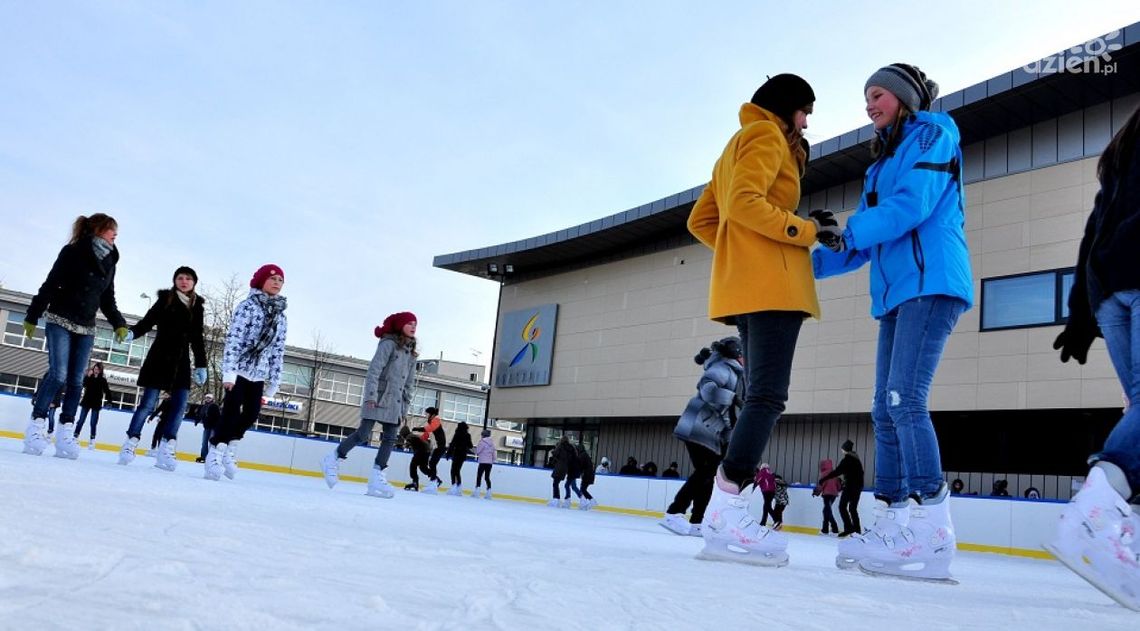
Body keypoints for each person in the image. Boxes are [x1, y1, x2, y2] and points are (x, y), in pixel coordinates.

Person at [812, 64, 972, 582]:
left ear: (903, 98)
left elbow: (910, 208)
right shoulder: (878, 168)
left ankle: (933, 528)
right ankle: (895, 520)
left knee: (905, 399)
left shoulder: (933, 134)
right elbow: (863, 243)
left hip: (932, 283)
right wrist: (805, 260)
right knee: (883, 408)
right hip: (896, 295)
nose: (868, 105)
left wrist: (851, 229)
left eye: (877, 94)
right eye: (865, 98)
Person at [686, 73, 831, 567]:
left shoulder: (734, 145)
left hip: (748, 288)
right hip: (773, 287)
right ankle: (727, 506)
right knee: (768, 396)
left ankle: (724, 507)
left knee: (758, 397)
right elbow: (749, 203)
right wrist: (804, 230)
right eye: (805, 110)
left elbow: (702, 221)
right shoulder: (767, 135)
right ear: (787, 106)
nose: (807, 121)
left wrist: (740, 255)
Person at [1046, 103, 1140, 611]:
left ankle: (1111, 524)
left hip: (1108, 289)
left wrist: (1081, 314)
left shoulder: (1121, 150)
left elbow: (1092, 234)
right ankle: (1096, 511)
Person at [22, 213, 128, 459]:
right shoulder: (72, 252)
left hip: (86, 326)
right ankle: (36, 426)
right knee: (58, 374)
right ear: (98, 230)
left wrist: (118, 323)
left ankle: (65, 432)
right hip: (60, 318)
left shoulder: (110, 261)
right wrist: (32, 314)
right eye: (111, 230)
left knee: (76, 381)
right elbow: (50, 283)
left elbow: (107, 297)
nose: (115, 235)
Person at [118, 266, 208, 472]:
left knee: (179, 405)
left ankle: (167, 448)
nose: (184, 281)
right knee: (148, 404)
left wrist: (201, 364)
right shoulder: (166, 299)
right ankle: (130, 443)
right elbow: (148, 321)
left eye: (188, 278)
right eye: (180, 278)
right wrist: (133, 333)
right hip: (159, 358)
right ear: (175, 280)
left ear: (194, 282)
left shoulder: (197, 306)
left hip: (181, 361)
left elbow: (197, 338)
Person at [319, 312, 417, 498]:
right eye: (409, 323)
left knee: (389, 438)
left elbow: (409, 385)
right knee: (364, 434)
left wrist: (404, 407)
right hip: (379, 397)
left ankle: (376, 477)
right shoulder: (388, 344)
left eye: (415, 324)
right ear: (399, 325)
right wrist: (370, 396)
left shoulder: (411, 354)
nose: (413, 327)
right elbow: (374, 370)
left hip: (395, 402)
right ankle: (333, 458)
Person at [205, 264, 288, 481]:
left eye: (281, 280)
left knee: (251, 413)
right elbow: (234, 340)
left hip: (259, 374)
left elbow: (277, 351)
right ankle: (215, 452)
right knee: (231, 411)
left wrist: (274, 381)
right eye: (273, 278)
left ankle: (230, 448)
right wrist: (229, 372)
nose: (277, 282)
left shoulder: (281, 316)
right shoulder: (248, 306)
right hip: (240, 369)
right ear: (261, 281)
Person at [661, 337, 744, 537]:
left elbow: (727, 414)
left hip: (709, 430)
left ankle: (698, 521)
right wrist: (733, 398)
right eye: (743, 354)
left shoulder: (735, 372)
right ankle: (675, 511)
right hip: (699, 426)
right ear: (736, 354)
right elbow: (707, 389)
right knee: (707, 472)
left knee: (707, 475)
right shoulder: (724, 368)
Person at [820, 440, 865, 543]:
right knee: (853, 508)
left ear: (844, 449)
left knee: (842, 507)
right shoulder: (856, 459)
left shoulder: (847, 459)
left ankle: (849, 528)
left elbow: (837, 471)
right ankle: (857, 531)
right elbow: (860, 473)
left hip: (850, 486)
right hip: (857, 487)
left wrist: (824, 479)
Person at [74, 362, 112, 448]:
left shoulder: (102, 380)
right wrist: (87, 376)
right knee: (81, 420)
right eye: (95, 369)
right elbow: (83, 384)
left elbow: (107, 391)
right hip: (86, 402)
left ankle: (92, 440)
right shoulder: (89, 378)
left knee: (93, 423)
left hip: (96, 403)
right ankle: (75, 436)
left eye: (98, 369)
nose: (96, 370)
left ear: (100, 370)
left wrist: (109, 401)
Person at [813, 458, 842, 535]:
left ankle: (833, 529)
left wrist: (816, 492)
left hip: (827, 495)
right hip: (834, 495)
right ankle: (826, 529)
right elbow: (838, 486)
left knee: (827, 511)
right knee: (826, 511)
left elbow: (821, 484)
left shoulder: (824, 474)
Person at [422, 407, 447, 492]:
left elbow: (429, 430)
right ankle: (435, 481)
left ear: (431, 414)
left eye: (426, 413)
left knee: (432, 463)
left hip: (440, 446)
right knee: (432, 463)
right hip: (437, 446)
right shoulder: (431, 421)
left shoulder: (435, 420)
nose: (425, 415)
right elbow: (426, 434)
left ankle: (434, 482)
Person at [548, 435, 577, 507]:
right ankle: (558, 499)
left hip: (559, 467)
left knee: (555, 483)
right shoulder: (571, 448)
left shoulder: (560, 446)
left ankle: (556, 499)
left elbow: (555, 453)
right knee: (557, 483)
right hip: (565, 468)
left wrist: (552, 452)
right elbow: (574, 457)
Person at [446, 421, 474, 496]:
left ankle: (453, 486)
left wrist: (448, 453)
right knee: (457, 471)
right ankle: (458, 487)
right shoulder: (468, 435)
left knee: (453, 470)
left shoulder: (457, 434)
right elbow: (470, 445)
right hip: (463, 455)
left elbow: (452, 444)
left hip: (456, 454)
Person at [194, 393, 220, 463]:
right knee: (204, 442)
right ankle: (204, 456)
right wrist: (197, 420)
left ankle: (211, 457)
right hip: (207, 427)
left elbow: (218, 416)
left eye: (209, 398)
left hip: (213, 427)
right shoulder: (203, 407)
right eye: (207, 398)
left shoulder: (214, 406)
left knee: (212, 442)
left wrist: (216, 426)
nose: (208, 399)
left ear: (212, 399)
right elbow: (201, 415)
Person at [473, 428, 495, 499]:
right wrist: (493, 460)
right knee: (487, 477)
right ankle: (489, 491)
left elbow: (477, 451)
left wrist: (472, 449)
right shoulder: (492, 443)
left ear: (483, 435)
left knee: (479, 476)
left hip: (482, 462)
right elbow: (494, 454)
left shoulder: (482, 442)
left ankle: (477, 491)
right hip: (489, 463)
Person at [576, 443, 597, 510]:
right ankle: (585, 503)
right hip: (589, 474)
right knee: (583, 489)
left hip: (587, 475)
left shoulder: (582, 456)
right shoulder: (585, 455)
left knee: (582, 489)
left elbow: (580, 466)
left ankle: (591, 500)